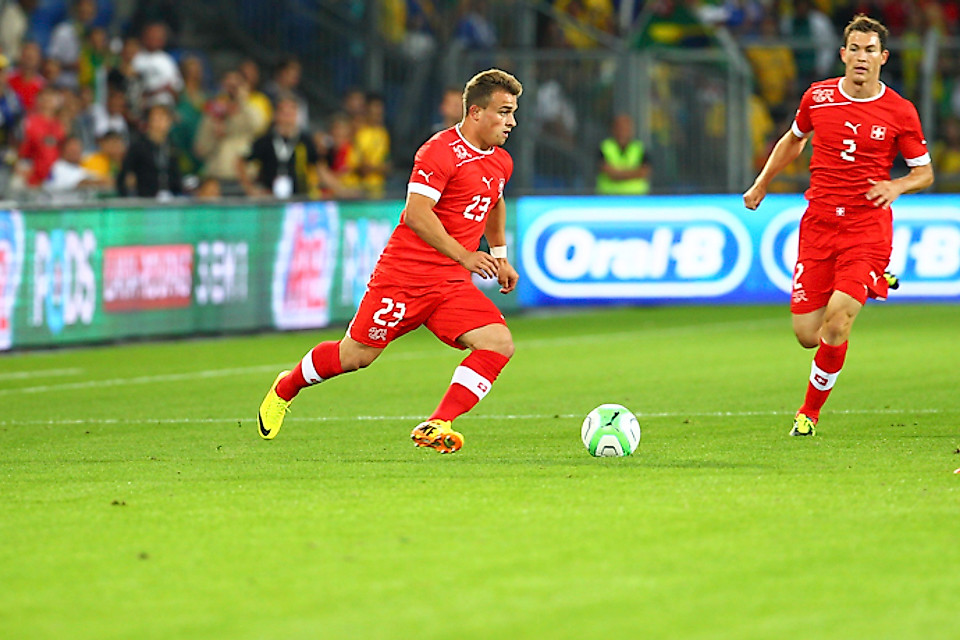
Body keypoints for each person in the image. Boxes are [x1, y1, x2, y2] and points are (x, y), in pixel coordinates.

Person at [257, 68, 523, 454]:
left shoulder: (501, 162)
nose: (511, 122)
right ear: (476, 112)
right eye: (504, 112)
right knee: (355, 356)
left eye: (513, 113)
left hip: (450, 284)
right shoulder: (440, 151)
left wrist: (500, 257)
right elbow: (416, 213)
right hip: (404, 278)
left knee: (498, 343)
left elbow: (493, 202)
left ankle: (438, 423)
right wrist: (465, 255)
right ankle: (287, 386)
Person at [743, 15, 933, 437]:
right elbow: (794, 139)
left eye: (871, 51)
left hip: (867, 229)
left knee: (837, 321)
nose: (862, 57)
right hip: (820, 224)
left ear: (883, 58)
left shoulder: (900, 111)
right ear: (843, 54)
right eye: (856, 49)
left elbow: (924, 173)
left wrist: (896, 185)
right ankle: (874, 279)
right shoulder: (818, 97)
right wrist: (762, 182)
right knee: (807, 334)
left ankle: (808, 413)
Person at [236, 94, 319, 198]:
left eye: (291, 112)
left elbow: (318, 165)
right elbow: (240, 162)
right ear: (276, 114)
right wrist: (250, 189)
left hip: (297, 197)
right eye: (284, 112)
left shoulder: (305, 140)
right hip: (269, 197)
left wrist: (334, 188)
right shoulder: (266, 139)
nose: (288, 117)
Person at [117, 103, 184, 199]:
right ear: (150, 121)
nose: (161, 122)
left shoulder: (172, 146)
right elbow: (124, 176)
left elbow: (176, 175)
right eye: (157, 118)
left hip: (170, 199)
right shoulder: (138, 146)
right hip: (146, 199)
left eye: (165, 118)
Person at [596, 113, 651, 195]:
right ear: (613, 128)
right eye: (619, 127)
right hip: (609, 198)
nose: (622, 131)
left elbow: (644, 172)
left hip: (636, 198)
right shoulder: (604, 147)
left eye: (626, 127)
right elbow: (608, 172)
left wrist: (618, 173)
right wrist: (633, 173)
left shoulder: (639, 148)